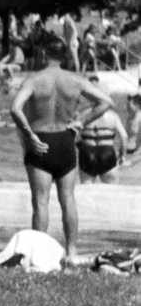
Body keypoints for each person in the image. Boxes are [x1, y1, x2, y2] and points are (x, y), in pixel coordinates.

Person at [10, 36, 113, 260]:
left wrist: (29, 134)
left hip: (41, 140)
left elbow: (15, 109)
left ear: (45, 54)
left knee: (40, 201)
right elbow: (106, 102)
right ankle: (72, 253)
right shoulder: (75, 80)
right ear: (65, 56)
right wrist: (82, 122)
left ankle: (38, 256)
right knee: (68, 198)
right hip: (65, 140)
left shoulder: (34, 79)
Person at [77, 104, 128, 183]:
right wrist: (122, 155)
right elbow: (124, 136)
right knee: (111, 191)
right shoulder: (112, 115)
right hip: (107, 152)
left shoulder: (84, 114)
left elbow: (73, 133)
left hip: (87, 153)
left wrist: (78, 146)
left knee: (86, 190)